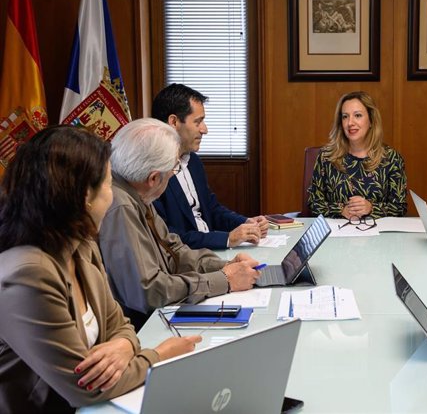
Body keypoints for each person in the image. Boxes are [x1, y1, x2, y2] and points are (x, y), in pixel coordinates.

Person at [0, 126, 200, 413]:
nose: (114, 194)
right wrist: (158, 356)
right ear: (84, 196)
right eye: (108, 184)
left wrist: (125, 346)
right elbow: (86, 388)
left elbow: (121, 325)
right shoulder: (28, 273)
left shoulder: (81, 245)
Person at [98, 118, 261, 329]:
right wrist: (224, 280)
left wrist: (225, 266)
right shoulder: (120, 207)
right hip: (141, 327)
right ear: (154, 178)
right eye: (174, 171)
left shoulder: (137, 193)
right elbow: (148, 292)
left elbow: (174, 250)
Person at [151, 83, 268, 250]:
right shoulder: (153, 172)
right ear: (174, 122)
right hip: (187, 261)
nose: (204, 130)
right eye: (198, 122)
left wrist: (246, 223)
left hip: (212, 253)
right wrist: (227, 239)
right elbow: (169, 237)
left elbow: (212, 209)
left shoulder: (193, 162)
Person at [307, 91, 407, 219]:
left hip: (379, 235)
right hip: (337, 233)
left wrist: (371, 208)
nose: (350, 123)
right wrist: (341, 210)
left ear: (371, 120)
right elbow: (314, 203)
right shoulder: (326, 157)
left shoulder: (391, 159)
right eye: (345, 117)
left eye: (358, 115)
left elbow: (399, 207)